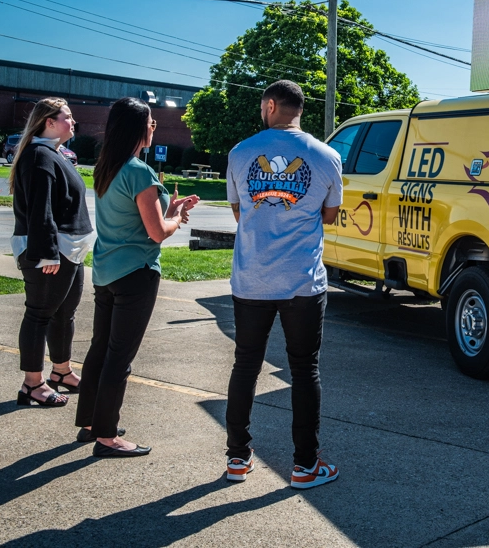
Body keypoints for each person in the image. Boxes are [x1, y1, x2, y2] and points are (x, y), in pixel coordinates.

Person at [224, 79, 343, 489]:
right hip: (302, 283)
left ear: (270, 105)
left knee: (246, 365)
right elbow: (329, 216)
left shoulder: (240, 154)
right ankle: (304, 466)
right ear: (300, 110)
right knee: (304, 370)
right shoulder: (327, 156)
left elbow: (240, 212)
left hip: (251, 280)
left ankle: (237, 459)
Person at [75, 97, 199, 457]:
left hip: (106, 272)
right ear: (138, 128)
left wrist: (171, 208)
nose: (154, 127)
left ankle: (90, 423)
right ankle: (108, 436)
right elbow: (158, 233)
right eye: (152, 122)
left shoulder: (106, 168)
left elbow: (138, 221)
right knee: (120, 356)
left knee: (100, 349)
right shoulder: (138, 172)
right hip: (136, 274)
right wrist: (176, 218)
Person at [10, 97, 93, 408]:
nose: (73, 122)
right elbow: (39, 210)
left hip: (69, 251)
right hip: (50, 252)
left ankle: (62, 372)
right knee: (39, 314)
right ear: (49, 122)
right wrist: (47, 254)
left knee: (64, 313)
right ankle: (32, 384)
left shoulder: (54, 154)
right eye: (67, 117)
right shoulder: (38, 156)